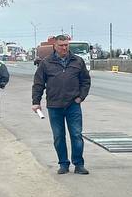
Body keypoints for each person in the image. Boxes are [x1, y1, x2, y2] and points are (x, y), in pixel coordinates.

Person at [32, 33, 91, 174]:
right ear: (55, 46)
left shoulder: (78, 61)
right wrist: (36, 102)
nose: (64, 48)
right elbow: (38, 83)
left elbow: (85, 81)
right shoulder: (46, 63)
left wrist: (81, 97)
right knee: (58, 136)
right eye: (61, 45)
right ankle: (63, 164)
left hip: (73, 105)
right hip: (54, 106)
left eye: (66, 45)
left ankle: (78, 164)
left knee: (76, 135)